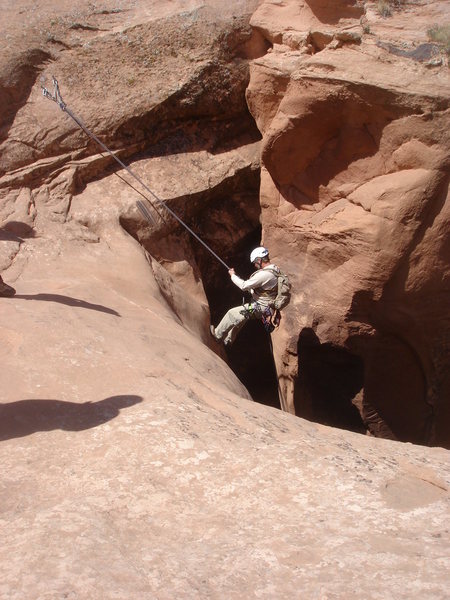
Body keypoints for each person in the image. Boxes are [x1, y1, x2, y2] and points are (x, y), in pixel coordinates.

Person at [210, 246, 281, 346]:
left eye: (255, 263)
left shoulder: (264, 275)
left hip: (260, 307)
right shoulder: (275, 270)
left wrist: (233, 275)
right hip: (267, 307)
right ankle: (228, 340)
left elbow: (243, 286)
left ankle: (217, 335)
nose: (255, 265)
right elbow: (265, 289)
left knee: (232, 313)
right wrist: (251, 289)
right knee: (241, 317)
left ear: (259, 260)